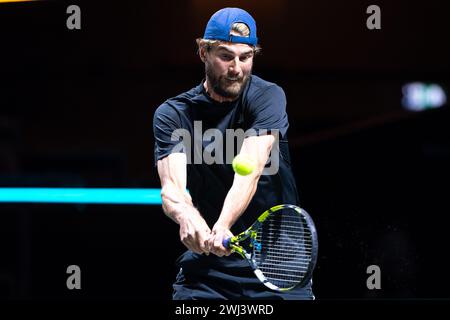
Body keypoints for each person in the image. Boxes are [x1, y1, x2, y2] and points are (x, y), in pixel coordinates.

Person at [153, 7, 314, 300]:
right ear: (203, 52)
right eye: (225, 56)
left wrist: (223, 224)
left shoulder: (267, 97)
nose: (236, 68)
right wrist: (188, 215)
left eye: (246, 57)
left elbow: (250, 169)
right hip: (208, 274)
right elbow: (172, 188)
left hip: (278, 267)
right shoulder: (174, 114)